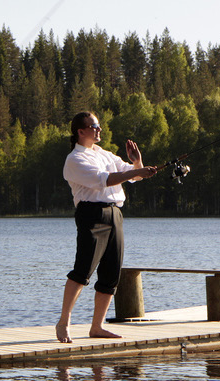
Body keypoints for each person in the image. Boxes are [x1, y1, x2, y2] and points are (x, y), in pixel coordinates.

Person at [56, 111, 157, 343]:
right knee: (82, 271)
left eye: (98, 125)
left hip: (115, 214)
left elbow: (132, 176)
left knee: (111, 273)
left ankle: (97, 326)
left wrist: (137, 163)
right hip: (92, 214)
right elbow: (105, 179)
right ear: (81, 131)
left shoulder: (102, 153)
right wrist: (137, 171)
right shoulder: (74, 159)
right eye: (94, 126)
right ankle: (63, 322)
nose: (99, 129)